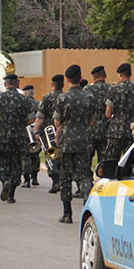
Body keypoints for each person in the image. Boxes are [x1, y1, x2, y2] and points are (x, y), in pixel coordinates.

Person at [53, 64, 94, 223]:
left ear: (68, 79)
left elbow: (57, 122)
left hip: (66, 141)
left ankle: (67, 213)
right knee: (84, 175)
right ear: (80, 76)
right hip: (84, 140)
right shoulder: (89, 97)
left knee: (65, 176)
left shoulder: (62, 98)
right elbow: (91, 121)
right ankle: (87, 202)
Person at [0, 73, 34, 203]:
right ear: (17, 84)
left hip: (0, 137)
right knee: (16, 165)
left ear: (5, 84)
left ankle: (5, 180)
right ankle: (11, 195)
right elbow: (31, 119)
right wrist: (20, 124)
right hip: (19, 137)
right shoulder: (25, 100)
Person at [104, 63, 134, 161]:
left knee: (111, 162)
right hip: (131, 130)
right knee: (128, 162)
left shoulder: (113, 89)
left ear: (121, 75)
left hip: (115, 131)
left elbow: (108, 113)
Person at [34, 74, 64, 194]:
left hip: (48, 133)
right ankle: (63, 181)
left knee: (51, 156)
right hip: (63, 132)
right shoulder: (64, 97)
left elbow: (39, 117)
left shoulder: (46, 98)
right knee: (63, 156)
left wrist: (36, 131)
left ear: (52, 85)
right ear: (63, 84)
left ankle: (55, 181)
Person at [85, 65, 111, 171]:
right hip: (106, 129)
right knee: (104, 161)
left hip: (90, 130)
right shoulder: (112, 89)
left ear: (94, 77)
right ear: (105, 76)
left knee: (86, 160)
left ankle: (86, 183)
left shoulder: (87, 89)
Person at [21, 84, 41, 188]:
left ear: (25, 93)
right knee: (35, 154)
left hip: (25, 132)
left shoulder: (22, 103)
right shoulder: (38, 103)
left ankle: (26, 179)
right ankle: (35, 178)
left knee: (25, 156)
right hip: (35, 131)